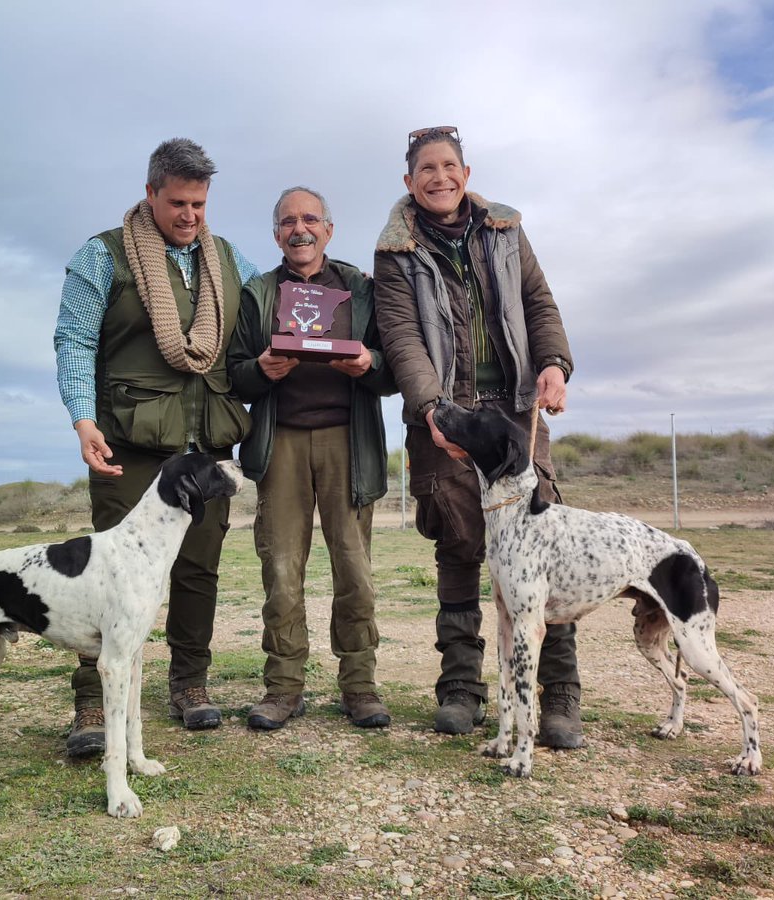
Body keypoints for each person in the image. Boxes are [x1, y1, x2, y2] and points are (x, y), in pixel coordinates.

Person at [373, 126, 584, 746]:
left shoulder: (506, 230)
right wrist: (431, 410)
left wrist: (554, 364)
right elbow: (401, 336)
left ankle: (559, 695)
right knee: (459, 542)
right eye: (426, 169)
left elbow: (539, 303)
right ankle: (461, 689)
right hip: (446, 416)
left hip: (516, 413)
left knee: (541, 543)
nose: (439, 178)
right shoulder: (394, 252)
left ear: (466, 174)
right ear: (409, 181)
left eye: (449, 166)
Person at [54, 138, 260, 756]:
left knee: (198, 570)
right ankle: (92, 703)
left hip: (206, 446)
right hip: (129, 444)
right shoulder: (103, 256)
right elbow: (74, 339)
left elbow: (275, 308)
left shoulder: (230, 260)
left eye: (200, 204)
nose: (190, 215)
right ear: (150, 193)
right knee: (106, 577)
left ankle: (189, 685)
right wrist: (82, 419)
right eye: (178, 203)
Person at [227, 187, 396, 730]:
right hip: (281, 443)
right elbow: (234, 373)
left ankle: (360, 686)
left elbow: (394, 367)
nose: (299, 229)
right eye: (287, 222)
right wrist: (261, 370)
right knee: (280, 570)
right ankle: (282, 688)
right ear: (276, 234)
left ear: (329, 229)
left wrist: (370, 364)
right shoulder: (257, 293)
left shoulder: (361, 290)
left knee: (355, 569)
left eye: (310, 219)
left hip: (349, 441)